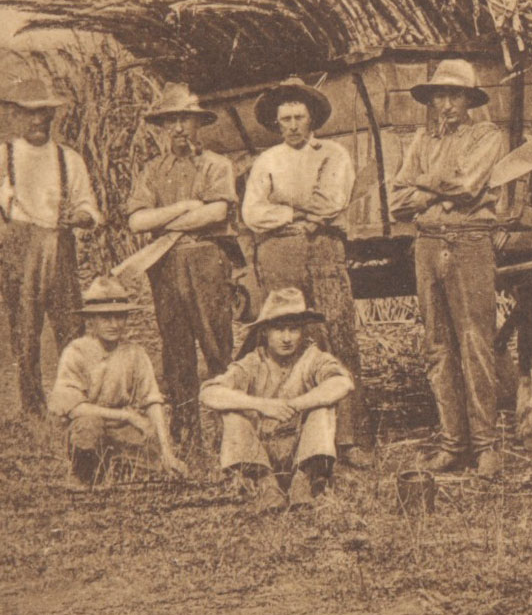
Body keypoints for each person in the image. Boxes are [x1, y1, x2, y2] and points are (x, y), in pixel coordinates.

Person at [239, 77, 372, 467]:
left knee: (335, 337)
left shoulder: (333, 154)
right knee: (284, 339)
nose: (293, 125)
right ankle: (291, 437)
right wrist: (298, 214)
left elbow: (331, 202)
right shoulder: (266, 161)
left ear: (312, 119)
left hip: (324, 252)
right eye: (286, 120)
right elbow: (253, 214)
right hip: (278, 255)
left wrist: (284, 210)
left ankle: (348, 439)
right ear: (277, 124)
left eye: (299, 117)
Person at [387, 59, 512, 475]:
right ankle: (452, 442)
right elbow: (398, 200)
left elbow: (469, 185)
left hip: (469, 241)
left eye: (454, 95)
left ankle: (485, 444)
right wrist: (434, 190)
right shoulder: (422, 140)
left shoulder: (488, 136)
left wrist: (425, 184)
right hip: (427, 243)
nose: (446, 104)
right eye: (439, 95)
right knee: (437, 344)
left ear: (469, 99)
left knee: (475, 341)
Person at [124, 83, 239, 453]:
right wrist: (184, 208)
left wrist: (169, 219)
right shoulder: (153, 171)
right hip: (165, 265)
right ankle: (187, 436)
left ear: (197, 124)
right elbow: (137, 221)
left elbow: (217, 212)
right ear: (161, 127)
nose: (178, 129)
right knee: (175, 351)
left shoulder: (218, 165)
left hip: (207, 260)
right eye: (170, 121)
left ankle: (231, 433)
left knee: (217, 347)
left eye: (185, 120)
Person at [0, 79, 103, 416]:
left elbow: (89, 209)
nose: (37, 121)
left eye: (43, 113)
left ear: (52, 115)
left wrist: (77, 218)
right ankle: (31, 407)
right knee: (24, 329)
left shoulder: (69, 159)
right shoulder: (2, 155)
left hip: (60, 246)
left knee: (71, 327)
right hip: (20, 247)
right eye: (29, 113)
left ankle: (72, 401)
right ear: (17, 116)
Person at [199, 288, 355, 511]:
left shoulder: (311, 357)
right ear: (265, 332)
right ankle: (266, 485)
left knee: (323, 408)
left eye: (293, 329)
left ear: (302, 331)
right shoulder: (254, 362)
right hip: (261, 453)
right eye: (279, 329)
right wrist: (263, 405)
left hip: (302, 450)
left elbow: (343, 383)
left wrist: (297, 404)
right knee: (233, 413)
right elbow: (209, 393)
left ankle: (304, 481)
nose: (287, 338)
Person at [47, 276, 188, 486]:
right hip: (90, 426)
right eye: (106, 317)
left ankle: (121, 468)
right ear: (91, 320)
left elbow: (153, 402)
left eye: (120, 317)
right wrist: (127, 415)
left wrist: (167, 452)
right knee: (87, 429)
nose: (114, 324)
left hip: (122, 430)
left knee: (156, 463)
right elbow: (76, 409)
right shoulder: (76, 352)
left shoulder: (135, 354)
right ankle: (84, 477)